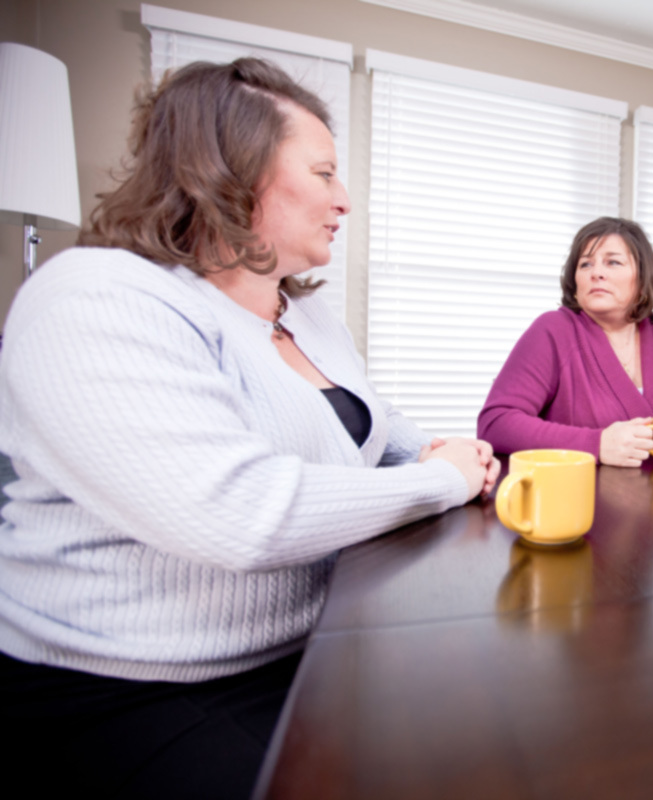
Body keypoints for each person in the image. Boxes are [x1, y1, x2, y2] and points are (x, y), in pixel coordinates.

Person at [0, 58, 498, 798]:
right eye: (325, 173)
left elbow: (367, 417)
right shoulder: (95, 297)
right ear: (231, 170)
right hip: (129, 685)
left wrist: (425, 448)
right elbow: (239, 515)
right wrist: (443, 479)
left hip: (311, 646)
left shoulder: (307, 315)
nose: (345, 199)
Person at [477, 217, 653, 467]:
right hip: (580, 501)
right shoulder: (552, 331)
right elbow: (496, 423)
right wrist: (596, 444)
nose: (597, 273)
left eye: (613, 262)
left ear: (643, 278)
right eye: (586, 264)